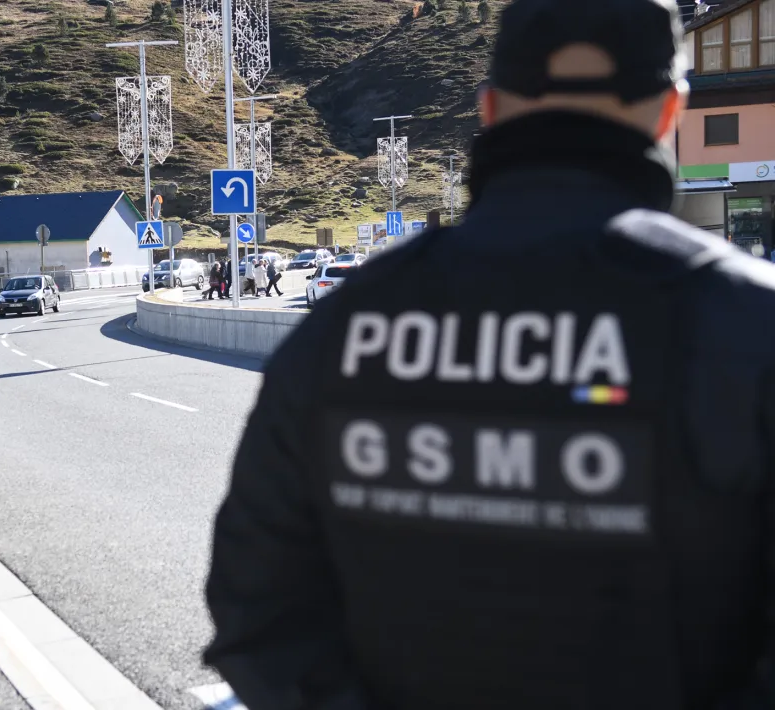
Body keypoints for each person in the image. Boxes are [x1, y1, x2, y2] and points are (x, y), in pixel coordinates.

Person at [203, 0, 775, 707]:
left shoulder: (348, 321)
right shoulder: (746, 323)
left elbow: (256, 613)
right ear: (670, 111)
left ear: (492, 109)